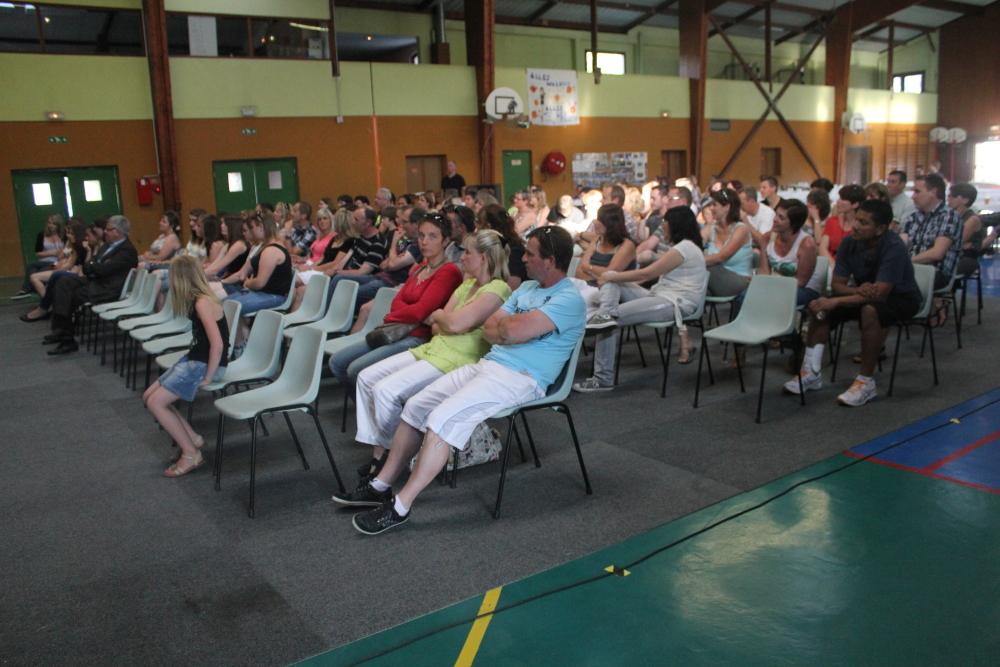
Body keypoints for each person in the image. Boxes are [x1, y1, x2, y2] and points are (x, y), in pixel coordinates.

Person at [342, 226, 585, 535]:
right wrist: (510, 329)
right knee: (415, 406)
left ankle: (400, 506)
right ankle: (380, 484)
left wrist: (508, 328)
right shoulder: (526, 288)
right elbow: (491, 330)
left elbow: (508, 330)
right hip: (490, 364)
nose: (523, 259)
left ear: (549, 261)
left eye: (530, 254)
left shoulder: (568, 299)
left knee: (441, 419)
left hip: (522, 377)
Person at [344, 229, 512, 484]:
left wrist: (447, 320)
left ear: (484, 258)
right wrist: (448, 321)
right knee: (366, 378)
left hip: (459, 358)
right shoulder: (467, 285)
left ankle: (387, 461)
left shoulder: (498, 289)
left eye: (467, 253)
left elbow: (451, 322)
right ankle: (385, 451)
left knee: (385, 391)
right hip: (435, 348)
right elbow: (436, 323)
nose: (462, 257)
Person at [785, 200, 921, 407]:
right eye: (857, 219)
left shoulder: (894, 247)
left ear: (880, 229)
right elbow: (837, 284)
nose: (855, 226)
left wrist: (837, 301)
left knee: (869, 311)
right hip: (863, 294)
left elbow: (880, 294)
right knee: (820, 308)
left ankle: (866, 382)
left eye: (863, 223)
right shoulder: (850, 242)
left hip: (901, 299)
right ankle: (811, 372)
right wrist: (856, 291)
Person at [574, 207, 708, 392]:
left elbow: (647, 273)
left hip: (675, 302)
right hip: (660, 295)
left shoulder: (685, 247)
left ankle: (603, 378)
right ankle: (604, 315)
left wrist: (611, 275)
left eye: (665, 223)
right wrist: (612, 277)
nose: (662, 227)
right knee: (611, 292)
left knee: (609, 315)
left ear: (675, 225)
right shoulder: (685, 247)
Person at [327, 214, 463, 388]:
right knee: (337, 362)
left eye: (432, 236)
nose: (424, 242)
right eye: (421, 235)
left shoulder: (448, 271)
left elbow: (420, 311)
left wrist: (396, 315)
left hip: (418, 336)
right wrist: (407, 312)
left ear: (446, 241)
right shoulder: (421, 268)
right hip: (395, 329)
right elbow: (396, 302)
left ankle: (375, 403)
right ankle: (368, 402)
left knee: (355, 370)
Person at [143, 255, 229, 477]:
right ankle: (192, 438)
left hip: (205, 364)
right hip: (196, 359)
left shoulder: (202, 302)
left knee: (156, 403)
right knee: (149, 397)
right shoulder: (198, 299)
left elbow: (218, 345)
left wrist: (209, 376)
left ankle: (191, 454)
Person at [42, 215, 138, 355]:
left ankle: (66, 338)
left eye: (108, 229)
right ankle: (62, 332)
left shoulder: (127, 250)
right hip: (95, 281)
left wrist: (94, 266)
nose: (105, 232)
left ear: (117, 232)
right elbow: (89, 264)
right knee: (62, 281)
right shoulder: (107, 245)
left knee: (70, 295)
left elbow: (102, 269)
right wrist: (94, 266)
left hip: (107, 289)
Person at [755, 199, 823, 308]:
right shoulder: (767, 238)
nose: (775, 219)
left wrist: (771, 286)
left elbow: (801, 282)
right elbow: (764, 271)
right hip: (775, 284)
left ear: (793, 224)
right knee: (745, 296)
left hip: (804, 289)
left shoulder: (807, 245)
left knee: (771, 300)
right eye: (776, 215)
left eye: (781, 218)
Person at [901, 173, 961, 293]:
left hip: (935, 272)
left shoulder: (949, 216)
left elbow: (936, 254)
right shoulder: (913, 216)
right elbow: (901, 245)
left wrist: (904, 262)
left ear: (933, 192)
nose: (913, 197)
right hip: (910, 267)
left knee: (892, 285)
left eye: (917, 192)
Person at [224, 215, 293, 317]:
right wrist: (223, 282)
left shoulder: (271, 250)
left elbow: (260, 283)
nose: (251, 232)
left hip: (272, 296)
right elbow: (243, 274)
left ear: (261, 227)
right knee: (222, 304)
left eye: (252, 228)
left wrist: (248, 283)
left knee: (226, 308)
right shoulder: (264, 247)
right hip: (262, 293)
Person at [325, 207, 392, 304]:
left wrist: (337, 272)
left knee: (338, 278)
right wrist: (334, 269)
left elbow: (362, 272)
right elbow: (346, 258)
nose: (352, 222)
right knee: (326, 276)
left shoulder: (378, 243)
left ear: (368, 223)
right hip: (350, 272)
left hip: (366, 277)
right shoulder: (361, 236)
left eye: (356, 219)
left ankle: (327, 311)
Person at [574, 204, 637, 290]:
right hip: (588, 288)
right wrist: (597, 274)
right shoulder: (597, 239)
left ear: (611, 225)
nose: (595, 222)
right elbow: (580, 270)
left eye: (600, 220)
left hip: (613, 291)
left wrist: (589, 268)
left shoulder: (627, 245)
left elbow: (609, 275)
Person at [704, 189, 752, 297]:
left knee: (706, 268)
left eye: (714, 205)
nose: (711, 208)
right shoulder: (710, 228)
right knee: (694, 291)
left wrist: (693, 260)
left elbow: (721, 257)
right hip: (716, 281)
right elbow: (694, 245)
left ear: (727, 207)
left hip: (739, 279)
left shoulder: (741, 229)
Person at [28, 219, 87, 298]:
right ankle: (32, 291)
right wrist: (67, 246)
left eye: (70, 233)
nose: (67, 235)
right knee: (34, 267)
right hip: (57, 264)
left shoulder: (78, 247)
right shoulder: (70, 244)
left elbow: (68, 262)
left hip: (64, 267)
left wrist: (59, 265)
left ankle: (45, 300)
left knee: (39, 272)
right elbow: (61, 257)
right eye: (67, 232)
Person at [13, 214, 65, 300]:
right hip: (43, 261)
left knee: (39, 271)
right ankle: (25, 290)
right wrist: (51, 253)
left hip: (56, 262)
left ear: (58, 225)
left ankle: (30, 290)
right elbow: (37, 253)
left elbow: (66, 251)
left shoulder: (64, 236)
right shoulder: (41, 235)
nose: (50, 225)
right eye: (49, 223)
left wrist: (60, 254)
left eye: (53, 224)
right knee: (31, 266)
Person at [477, 204, 527, 290]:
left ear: (488, 226)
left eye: (479, 222)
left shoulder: (514, 250)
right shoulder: (493, 246)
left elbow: (511, 287)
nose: (476, 228)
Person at [820, 184, 864, 266]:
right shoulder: (832, 221)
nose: (838, 202)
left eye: (843, 199)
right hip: (830, 265)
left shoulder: (862, 227)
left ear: (855, 204)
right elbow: (822, 248)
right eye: (839, 198)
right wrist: (834, 267)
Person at [949, 183, 983, 278]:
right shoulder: (951, 215)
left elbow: (956, 241)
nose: (948, 198)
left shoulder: (972, 219)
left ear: (965, 200)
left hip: (966, 259)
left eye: (953, 196)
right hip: (953, 254)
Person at [739, 185, 775, 249]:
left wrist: (746, 222)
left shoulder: (768, 213)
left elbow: (763, 241)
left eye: (741, 203)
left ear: (752, 201)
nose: (739, 207)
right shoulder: (745, 212)